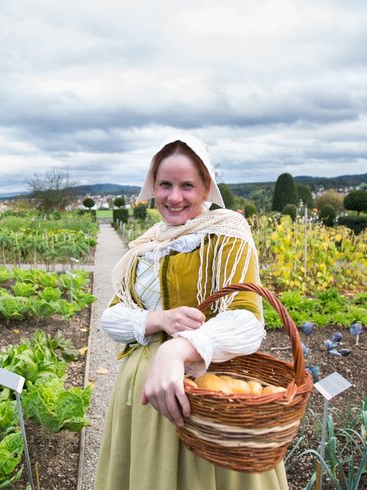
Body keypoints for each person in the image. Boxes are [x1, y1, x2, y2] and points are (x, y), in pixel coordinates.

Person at [94, 135, 288, 489]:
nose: (174, 196)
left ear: (206, 188)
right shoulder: (147, 245)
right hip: (143, 397)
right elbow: (112, 318)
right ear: (152, 186)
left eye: (187, 185)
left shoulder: (225, 236)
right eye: (165, 184)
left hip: (208, 396)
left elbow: (247, 321)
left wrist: (178, 348)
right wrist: (158, 320)